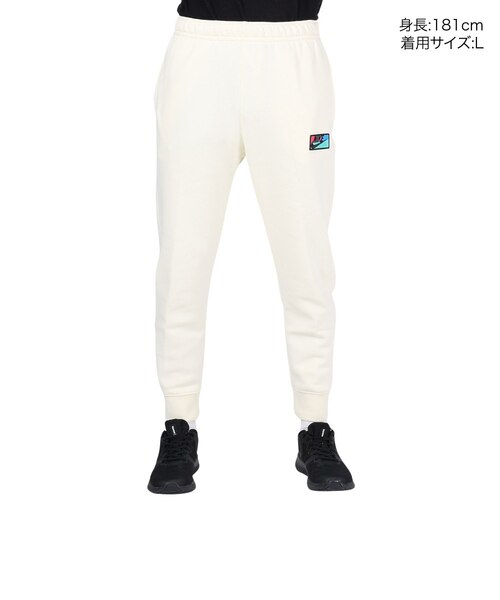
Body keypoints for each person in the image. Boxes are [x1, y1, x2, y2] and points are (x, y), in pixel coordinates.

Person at [148, 0, 354, 493]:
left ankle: (315, 425)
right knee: (182, 258)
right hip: (199, 52)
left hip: (293, 54)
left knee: (306, 259)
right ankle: (178, 423)